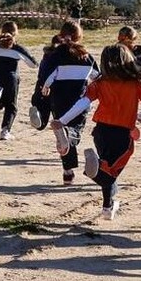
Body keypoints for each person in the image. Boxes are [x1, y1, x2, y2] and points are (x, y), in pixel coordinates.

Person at [54, 43, 141, 220]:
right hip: (123, 134)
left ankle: (107, 208)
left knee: (109, 168)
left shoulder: (100, 83)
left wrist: (62, 120)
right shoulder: (135, 84)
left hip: (101, 132)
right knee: (110, 172)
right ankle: (95, 174)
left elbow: (83, 103)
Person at [35, 21, 97, 185]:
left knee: (61, 127)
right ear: (79, 36)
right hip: (79, 100)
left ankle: (68, 171)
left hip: (58, 100)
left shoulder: (56, 55)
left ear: (61, 34)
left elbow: (48, 75)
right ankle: (68, 137)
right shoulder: (86, 55)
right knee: (73, 130)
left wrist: (45, 88)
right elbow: (97, 76)